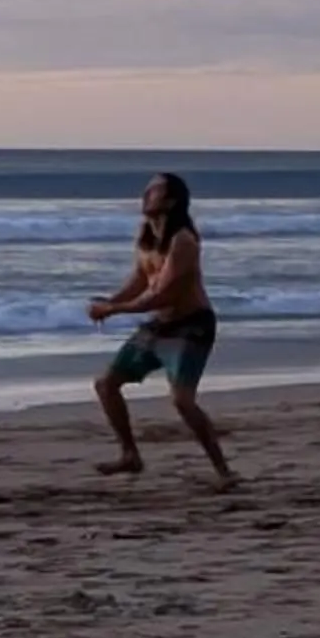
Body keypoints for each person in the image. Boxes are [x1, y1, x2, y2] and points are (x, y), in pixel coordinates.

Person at [89, 171, 234, 486]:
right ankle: (130, 455)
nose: (145, 195)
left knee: (182, 401)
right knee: (106, 384)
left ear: (170, 200)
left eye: (153, 191)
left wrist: (113, 310)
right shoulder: (147, 236)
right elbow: (140, 281)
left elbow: (161, 294)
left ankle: (223, 471)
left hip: (191, 326)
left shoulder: (183, 240)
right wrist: (110, 301)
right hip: (160, 326)